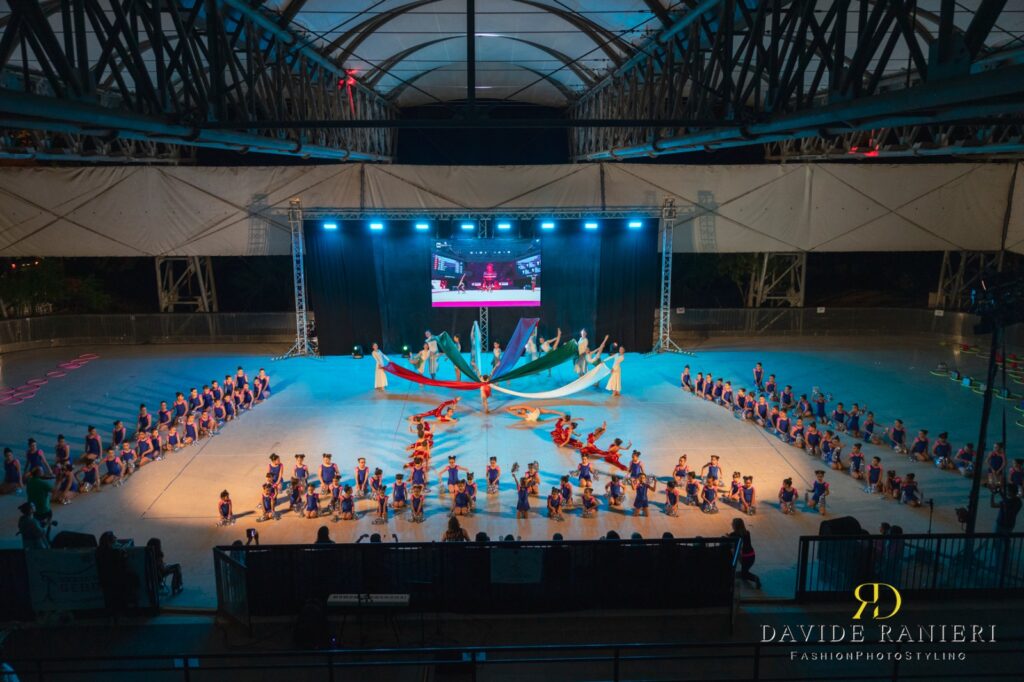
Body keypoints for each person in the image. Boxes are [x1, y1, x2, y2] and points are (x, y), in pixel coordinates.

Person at [728, 518, 761, 589]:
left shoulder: (733, 535)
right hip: (752, 556)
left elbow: (731, 543)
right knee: (744, 571)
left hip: (744, 558)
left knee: (744, 574)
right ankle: (742, 572)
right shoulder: (747, 533)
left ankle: (755, 578)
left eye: (732, 523)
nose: (731, 524)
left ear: (735, 526)